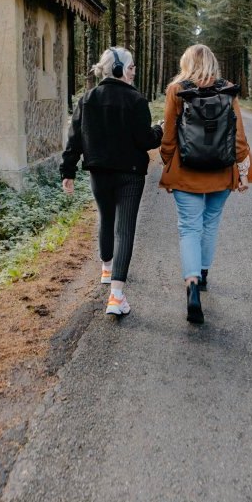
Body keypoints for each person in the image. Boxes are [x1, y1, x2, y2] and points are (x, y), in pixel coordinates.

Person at [159, 44, 252, 325]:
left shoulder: (177, 90)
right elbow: (239, 136)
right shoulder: (228, 89)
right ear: (213, 63)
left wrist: (168, 162)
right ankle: (202, 274)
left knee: (189, 226)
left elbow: (169, 135)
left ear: (186, 63)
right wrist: (242, 169)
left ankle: (191, 285)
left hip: (186, 169)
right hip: (221, 169)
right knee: (211, 222)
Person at [61, 47, 164, 317]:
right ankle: (116, 297)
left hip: (99, 172)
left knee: (105, 219)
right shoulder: (136, 101)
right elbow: (146, 141)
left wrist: (67, 171)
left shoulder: (86, 100)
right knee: (125, 229)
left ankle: (107, 270)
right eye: (131, 68)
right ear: (119, 70)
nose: (133, 73)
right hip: (130, 174)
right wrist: (159, 130)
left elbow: (74, 140)